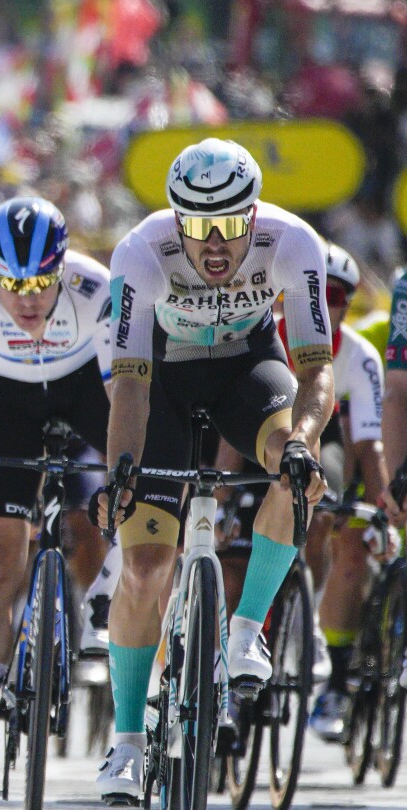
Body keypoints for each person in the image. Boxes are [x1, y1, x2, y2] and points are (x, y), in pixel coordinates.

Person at [94, 139, 332, 804]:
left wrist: (304, 442)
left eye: (232, 224)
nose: (217, 243)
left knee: (292, 469)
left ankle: (247, 629)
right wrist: (121, 471)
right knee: (143, 568)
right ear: (175, 222)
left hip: (246, 367)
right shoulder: (141, 253)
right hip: (163, 382)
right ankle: (126, 744)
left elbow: (315, 371)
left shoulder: (294, 242)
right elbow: (131, 385)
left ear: (255, 214)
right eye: (199, 229)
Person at [0, 197, 114, 794]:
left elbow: (127, 403)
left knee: (142, 493)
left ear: (62, 269)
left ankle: (107, 596)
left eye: (41, 282)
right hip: (3, 399)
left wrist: (127, 478)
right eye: (13, 283)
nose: (28, 298)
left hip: (86, 386)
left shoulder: (97, 290)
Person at [303, 243, 395, 740]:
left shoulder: (358, 356)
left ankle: (337, 676)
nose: (323, 303)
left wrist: (380, 507)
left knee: (352, 551)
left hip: (342, 452)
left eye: (335, 295)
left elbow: (367, 442)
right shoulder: (267, 338)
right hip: (276, 442)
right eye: (311, 292)